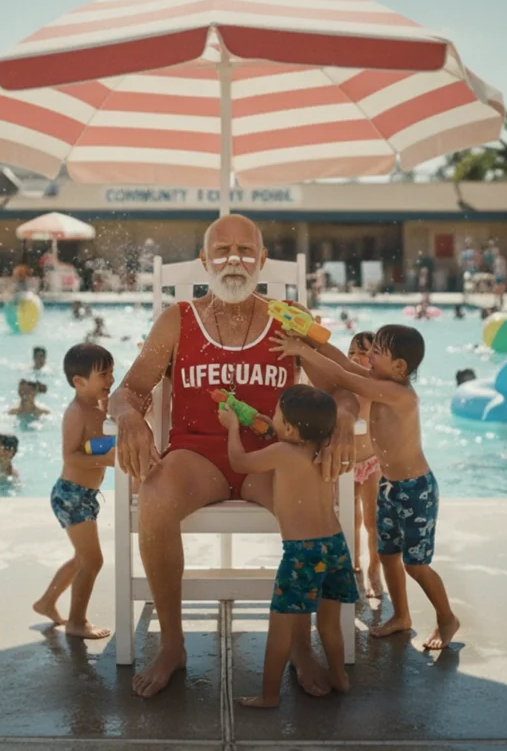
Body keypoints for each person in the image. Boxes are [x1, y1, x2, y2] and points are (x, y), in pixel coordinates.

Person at [107, 213, 356, 698]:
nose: (234, 260)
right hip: (197, 456)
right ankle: (174, 645)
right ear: (205, 261)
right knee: (155, 497)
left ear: (262, 260)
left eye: (246, 251)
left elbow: (343, 383)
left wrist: (344, 417)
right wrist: (127, 417)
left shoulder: (288, 318)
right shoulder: (177, 319)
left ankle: (300, 645)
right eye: (222, 251)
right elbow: (131, 388)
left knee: (307, 503)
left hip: (272, 456)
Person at [274, 323, 457, 651]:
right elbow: (344, 366)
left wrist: (303, 352)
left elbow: (345, 378)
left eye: (376, 352)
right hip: (390, 486)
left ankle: (446, 617)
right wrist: (310, 339)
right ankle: (401, 616)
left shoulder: (398, 393)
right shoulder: (381, 380)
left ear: (399, 367)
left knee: (415, 564)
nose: (367, 356)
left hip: (416, 490)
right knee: (388, 555)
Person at [225, 384, 355, 708]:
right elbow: (292, 435)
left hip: (302, 553)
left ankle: (268, 696)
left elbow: (239, 462)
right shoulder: (322, 447)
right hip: (335, 547)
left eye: (279, 413)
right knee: (329, 624)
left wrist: (231, 427)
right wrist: (272, 426)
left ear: (292, 428)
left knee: (280, 627)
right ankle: (339, 675)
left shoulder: (284, 453)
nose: (274, 416)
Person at [34, 343, 116, 639]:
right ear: (79, 383)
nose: (110, 380)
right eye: (104, 375)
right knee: (93, 561)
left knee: (82, 558)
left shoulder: (98, 404)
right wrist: (104, 459)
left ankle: (46, 602)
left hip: (85, 495)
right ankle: (77, 623)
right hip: (71, 494)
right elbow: (70, 456)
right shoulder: (76, 412)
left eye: (112, 372)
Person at [346, 332, 386, 598]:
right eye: (352, 353)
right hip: (348, 463)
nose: (357, 358)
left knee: (372, 520)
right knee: (351, 518)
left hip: (372, 461)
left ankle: (375, 567)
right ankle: (354, 563)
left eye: (364, 353)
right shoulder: (345, 383)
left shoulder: (377, 386)